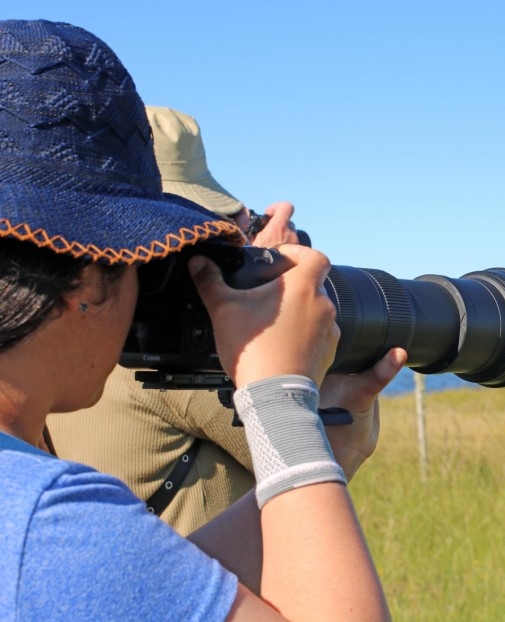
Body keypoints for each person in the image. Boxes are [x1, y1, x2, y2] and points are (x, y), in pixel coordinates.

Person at [0, 19, 399, 620]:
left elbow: (140, 593)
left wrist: (325, 451)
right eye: (146, 263)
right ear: (86, 274)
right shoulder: (45, 518)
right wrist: (281, 398)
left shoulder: (46, 527)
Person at [45, 105, 395, 535]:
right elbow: (309, 457)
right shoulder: (174, 356)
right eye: (204, 230)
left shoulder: (68, 339)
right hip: (217, 595)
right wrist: (270, 290)